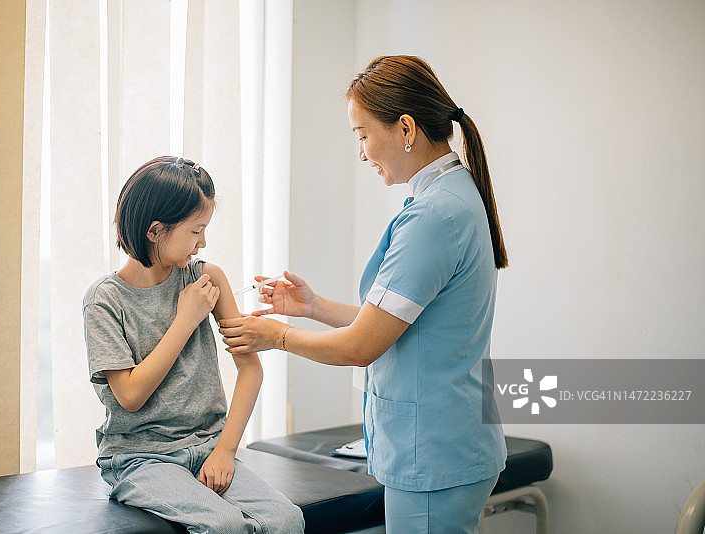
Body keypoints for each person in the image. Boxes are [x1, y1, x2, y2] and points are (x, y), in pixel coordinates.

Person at [219, 55, 507, 534]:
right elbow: (403, 322)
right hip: (449, 439)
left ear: (406, 128)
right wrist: (313, 308)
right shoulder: (450, 197)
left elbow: (361, 346)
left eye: (362, 135)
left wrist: (277, 335)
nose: (361, 152)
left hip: (434, 451)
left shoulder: (434, 217)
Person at [82, 156, 304, 534]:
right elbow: (131, 396)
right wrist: (186, 320)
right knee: (223, 526)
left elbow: (251, 369)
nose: (203, 242)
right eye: (195, 230)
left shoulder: (207, 278)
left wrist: (225, 451)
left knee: (287, 520)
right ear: (155, 231)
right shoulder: (106, 300)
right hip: (140, 457)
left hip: (208, 445)